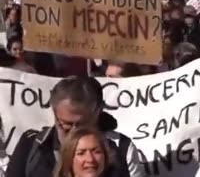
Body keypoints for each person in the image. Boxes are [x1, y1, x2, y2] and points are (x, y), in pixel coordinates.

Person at [7, 76, 144, 177]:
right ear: (55, 114)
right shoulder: (32, 146)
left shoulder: (121, 148)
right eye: (66, 125)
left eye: (81, 125)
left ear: (97, 112)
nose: (74, 132)